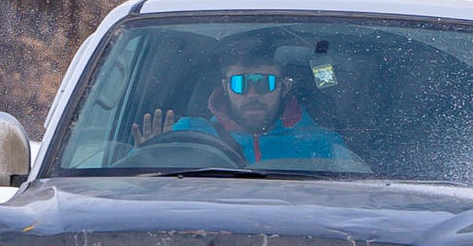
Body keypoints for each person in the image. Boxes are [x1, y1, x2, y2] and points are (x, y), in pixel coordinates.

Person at [131, 37, 363, 168]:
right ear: (225, 87)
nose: (252, 94)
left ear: (284, 87)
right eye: (240, 84)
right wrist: (145, 160)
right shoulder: (183, 135)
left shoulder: (324, 144)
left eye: (265, 83)